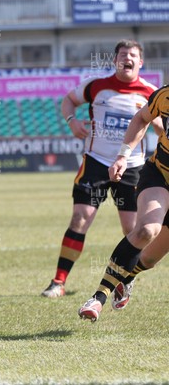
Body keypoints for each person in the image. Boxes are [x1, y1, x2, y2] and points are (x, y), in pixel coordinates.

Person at [41, 39, 159, 298]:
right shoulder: (96, 87)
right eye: (122, 54)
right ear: (115, 60)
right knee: (80, 218)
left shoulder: (150, 92)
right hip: (95, 162)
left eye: (133, 55)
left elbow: (161, 127)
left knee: (134, 230)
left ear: (140, 62)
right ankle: (58, 282)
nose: (127, 58)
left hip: (132, 169)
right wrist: (72, 121)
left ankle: (123, 281)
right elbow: (68, 101)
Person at [78, 84, 169, 321]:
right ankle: (98, 298)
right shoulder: (165, 95)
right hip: (160, 174)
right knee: (146, 231)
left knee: (148, 259)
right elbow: (141, 118)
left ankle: (127, 278)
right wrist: (122, 155)